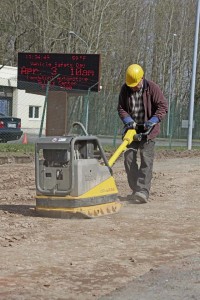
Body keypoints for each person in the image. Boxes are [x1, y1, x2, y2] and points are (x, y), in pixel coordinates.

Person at [117, 64, 168, 203]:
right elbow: (121, 108)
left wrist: (153, 120)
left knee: (146, 158)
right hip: (132, 130)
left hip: (148, 130)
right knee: (128, 157)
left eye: (135, 84)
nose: (133, 87)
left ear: (142, 78)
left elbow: (163, 106)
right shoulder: (125, 89)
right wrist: (128, 120)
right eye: (131, 85)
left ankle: (143, 191)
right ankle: (136, 189)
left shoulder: (152, 88)